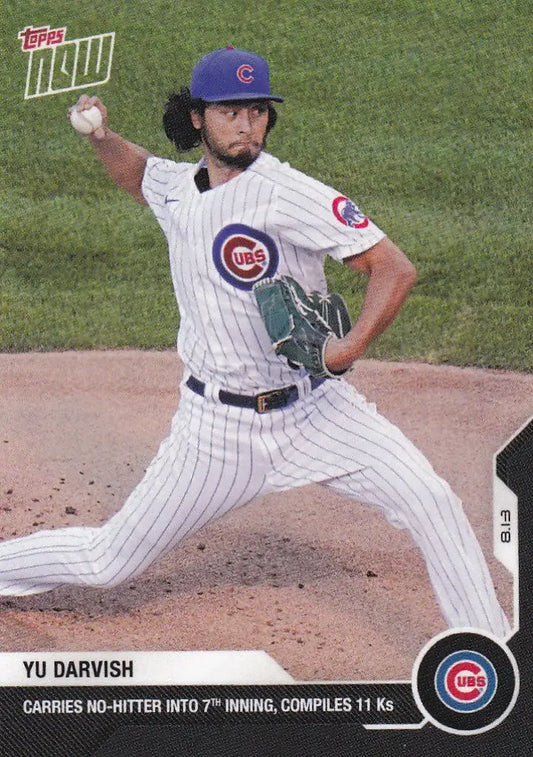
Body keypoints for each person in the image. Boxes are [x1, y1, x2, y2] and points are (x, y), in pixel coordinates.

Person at [0, 47, 509, 638]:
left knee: (431, 499)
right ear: (198, 118)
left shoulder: (289, 193)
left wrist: (348, 350)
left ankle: (493, 647)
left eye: (257, 111)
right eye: (229, 112)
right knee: (108, 561)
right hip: (216, 433)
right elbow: (139, 174)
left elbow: (394, 268)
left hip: (318, 413)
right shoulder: (177, 190)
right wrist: (102, 136)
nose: (246, 124)